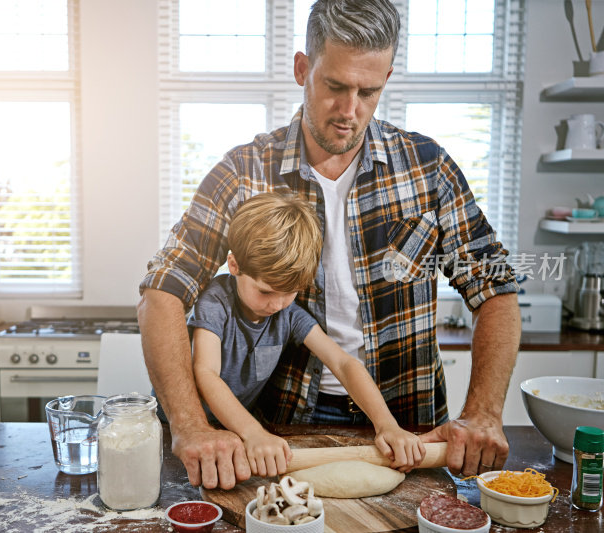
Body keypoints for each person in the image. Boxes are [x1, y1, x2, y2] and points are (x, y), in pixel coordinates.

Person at [138, 0, 520, 490]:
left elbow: (496, 289)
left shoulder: (429, 169)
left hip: (409, 427)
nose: (349, 111)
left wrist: (483, 414)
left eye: (369, 91)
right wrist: (192, 427)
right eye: (335, 86)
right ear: (303, 68)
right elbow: (162, 294)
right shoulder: (242, 173)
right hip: (282, 432)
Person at [191, 192, 425, 478]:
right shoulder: (215, 303)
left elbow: (343, 364)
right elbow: (206, 374)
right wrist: (253, 433)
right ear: (235, 265)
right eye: (265, 291)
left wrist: (386, 424)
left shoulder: (287, 315)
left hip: (235, 432)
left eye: (289, 292)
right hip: (188, 430)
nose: (276, 305)